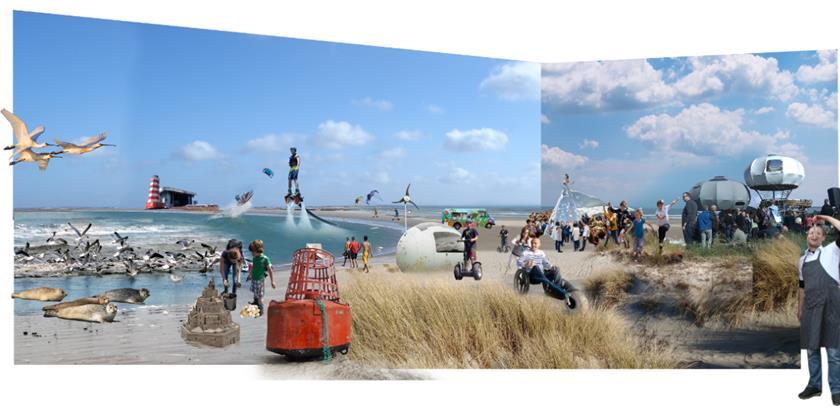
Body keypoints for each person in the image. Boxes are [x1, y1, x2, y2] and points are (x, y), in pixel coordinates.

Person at [798, 215, 840, 404]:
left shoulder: (832, 252)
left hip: (831, 305)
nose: (813, 235)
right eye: (810, 232)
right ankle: (814, 385)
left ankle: (837, 389)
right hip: (810, 306)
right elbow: (802, 286)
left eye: (817, 233)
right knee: (811, 349)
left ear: (824, 238)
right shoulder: (802, 260)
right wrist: (799, 309)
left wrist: (824, 217)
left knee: (833, 351)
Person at [245, 240, 276, 316]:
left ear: (258, 250)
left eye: (253, 252)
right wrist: (250, 276)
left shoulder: (264, 259)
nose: (252, 254)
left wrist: (272, 281)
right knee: (255, 294)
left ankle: (261, 310)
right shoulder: (255, 258)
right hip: (254, 279)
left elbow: (270, 270)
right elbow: (253, 268)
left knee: (260, 297)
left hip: (260, 280)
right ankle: (256, 304)